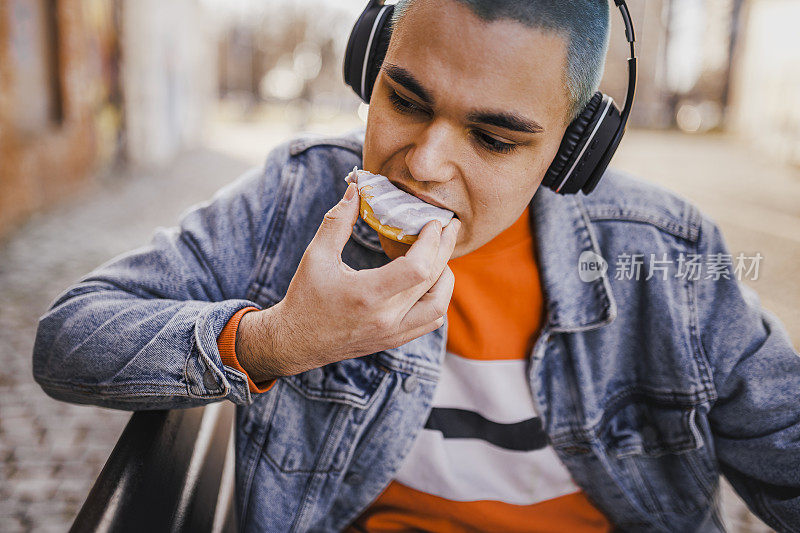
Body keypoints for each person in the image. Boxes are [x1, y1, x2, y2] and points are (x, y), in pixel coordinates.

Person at [32, 0, 800, 532]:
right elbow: (68, 338)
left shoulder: (665, 257)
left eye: (494, 140)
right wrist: (277, 340)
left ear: (570, 152)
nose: (424, 163)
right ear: (371, 66)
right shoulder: (294, 199)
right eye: (404, 100)